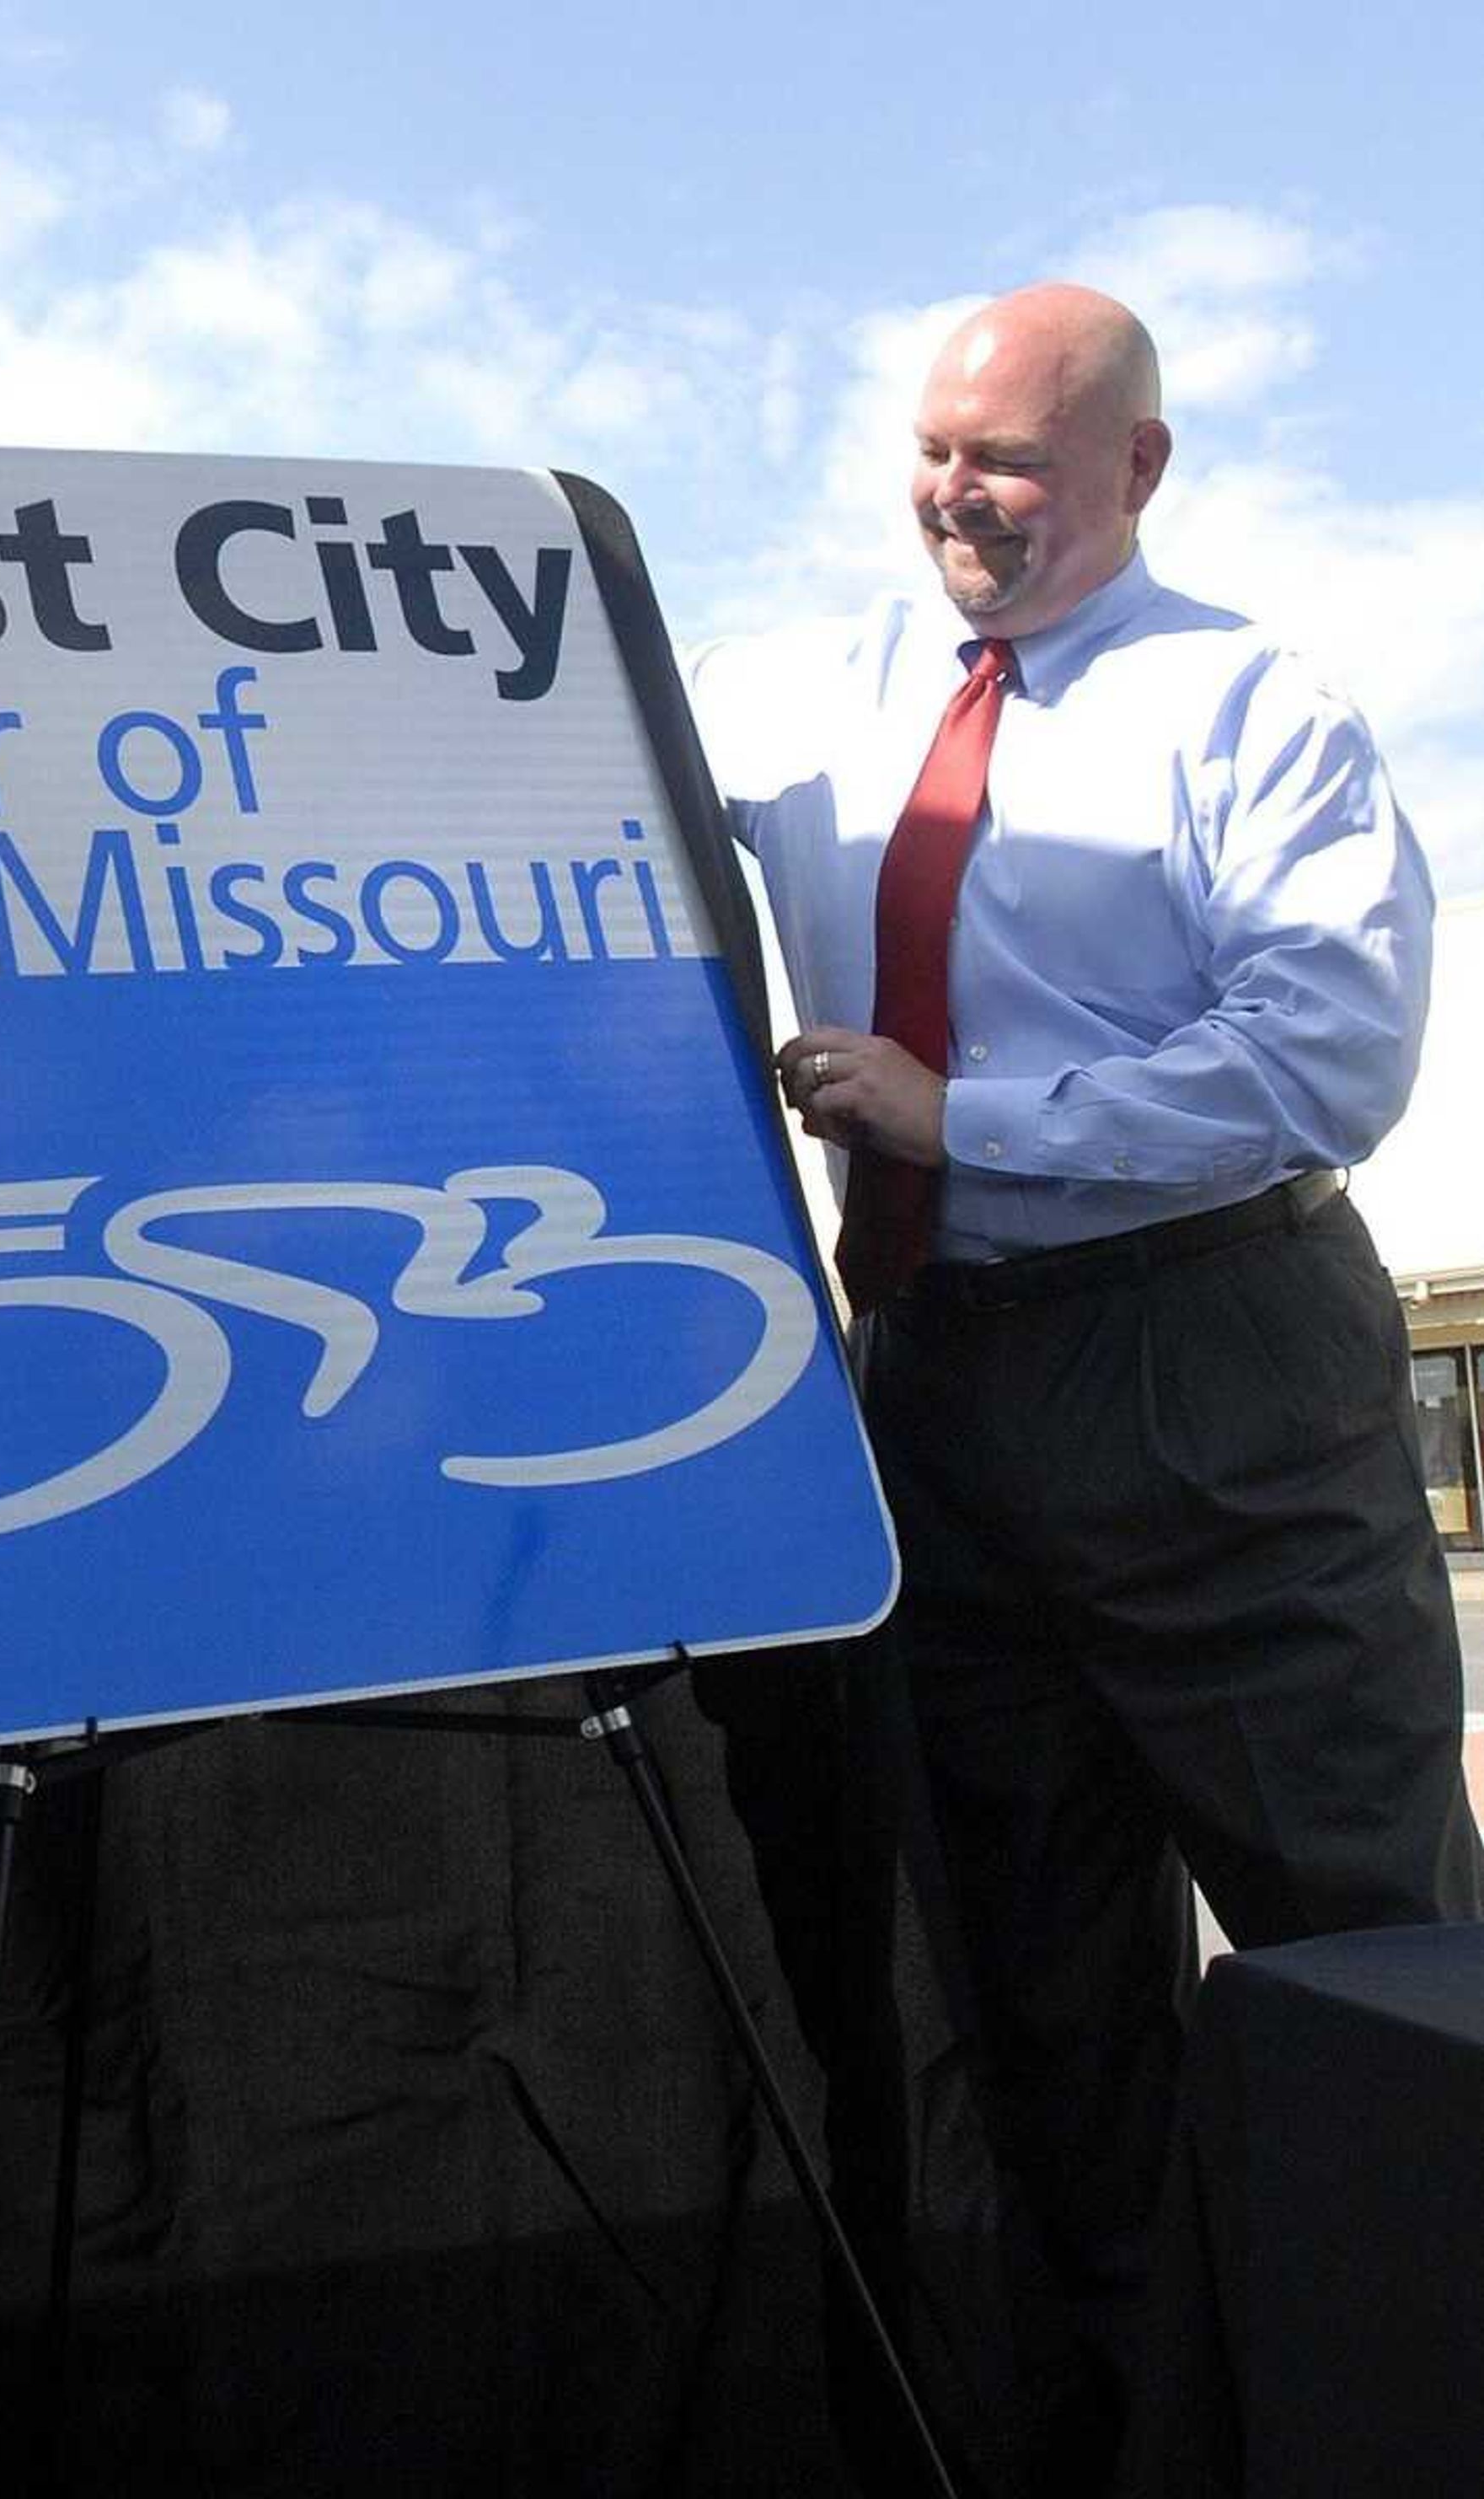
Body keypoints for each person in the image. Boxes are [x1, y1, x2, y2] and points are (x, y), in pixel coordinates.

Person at [688, 282, 1482, 2488]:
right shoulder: (809, 706)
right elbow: (577, 794)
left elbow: (1334, 1056)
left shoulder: (1252, 709)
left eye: (1017, 461)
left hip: (1214, 1365)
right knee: (1032, 2019)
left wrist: (973, 1115)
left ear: (1137, 468)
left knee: (1378, 1965)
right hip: (933, 1402)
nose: (966, 499)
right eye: (941, 454)